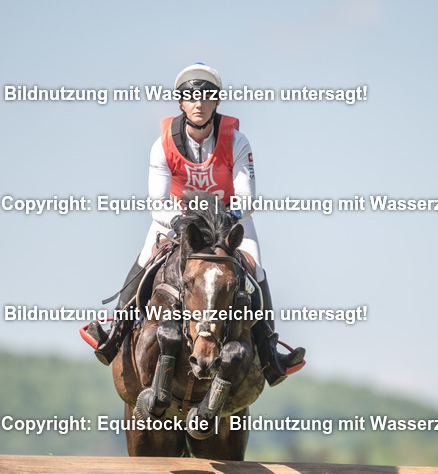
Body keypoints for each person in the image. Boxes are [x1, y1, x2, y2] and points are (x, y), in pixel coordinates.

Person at [87, 63, 304, 386]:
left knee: (255, 270)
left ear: (217, 102)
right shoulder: (162, 145)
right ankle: (116, 332)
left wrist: (226, 220)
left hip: (227, 219)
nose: (199, 103)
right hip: (176, 219)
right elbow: (155, 202)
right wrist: (178, 220)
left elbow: (247, 197)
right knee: (147, 257)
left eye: (206, 97)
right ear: (181, 103)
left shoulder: (237, 140)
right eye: (191, 97)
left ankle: (270, 352)